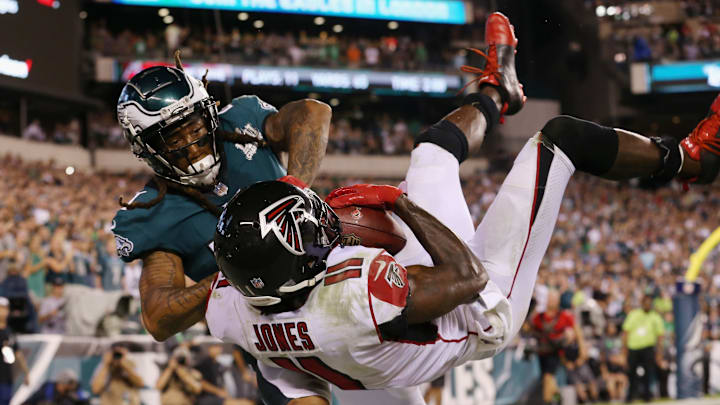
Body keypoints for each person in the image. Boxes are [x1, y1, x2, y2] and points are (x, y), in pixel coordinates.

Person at [207, 12, 715, 404]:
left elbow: (221, 302)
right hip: (479, 307)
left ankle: (497, 90)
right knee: (562, 140)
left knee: (431, 153)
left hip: (368, 374)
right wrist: (397, 202)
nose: (319, 229)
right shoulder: (351, 301)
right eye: (308, 237)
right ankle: (689, 160)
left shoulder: (234, 307)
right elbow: (467, 277)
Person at [110, 52, 331, 405]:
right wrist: (233, 276)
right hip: (276, 332)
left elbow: (313, 112)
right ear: (147, 149)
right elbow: (158, 317)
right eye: (172, 138)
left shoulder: (242, 123)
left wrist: (292, 191)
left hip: (333, 272)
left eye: (195, 127)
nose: (192, 144)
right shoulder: (153, 212)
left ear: (209, 113)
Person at [530, 290, 575, 404]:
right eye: (549, 298)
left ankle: (548, 401)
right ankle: (559, 397)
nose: (551, 301)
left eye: (553, 298)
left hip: (556, 352)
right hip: (542, 352)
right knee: (547, 379)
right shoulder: (539, 316)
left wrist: (568, 341)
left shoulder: (564, 316)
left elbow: (572, 332)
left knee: (548, 377)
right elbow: (531, 328)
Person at [622, 294, 664, 402]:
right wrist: (624, 350)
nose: (647, 304)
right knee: (631, 373)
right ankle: (630, 396)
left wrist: (659, 352)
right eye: (646, 302)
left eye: (649, 303)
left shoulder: (655, 316)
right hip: (634, 348)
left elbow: (660, 336)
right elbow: (626, 332)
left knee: (648, 372)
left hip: (648, 348)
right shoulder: (634, 314)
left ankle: (647, 396)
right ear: (642, 303)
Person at [0, 297, 29, 405]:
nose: (2, 312)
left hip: (6, 377)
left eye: (4, 309)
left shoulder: (9, 332)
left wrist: (26, 373)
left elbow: (17, 353)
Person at [23, 369, 89, 405]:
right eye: (68, 385)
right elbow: (29, 402)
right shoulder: (46, 390)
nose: (70, 388)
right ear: (60, 383)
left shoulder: (73, 395)